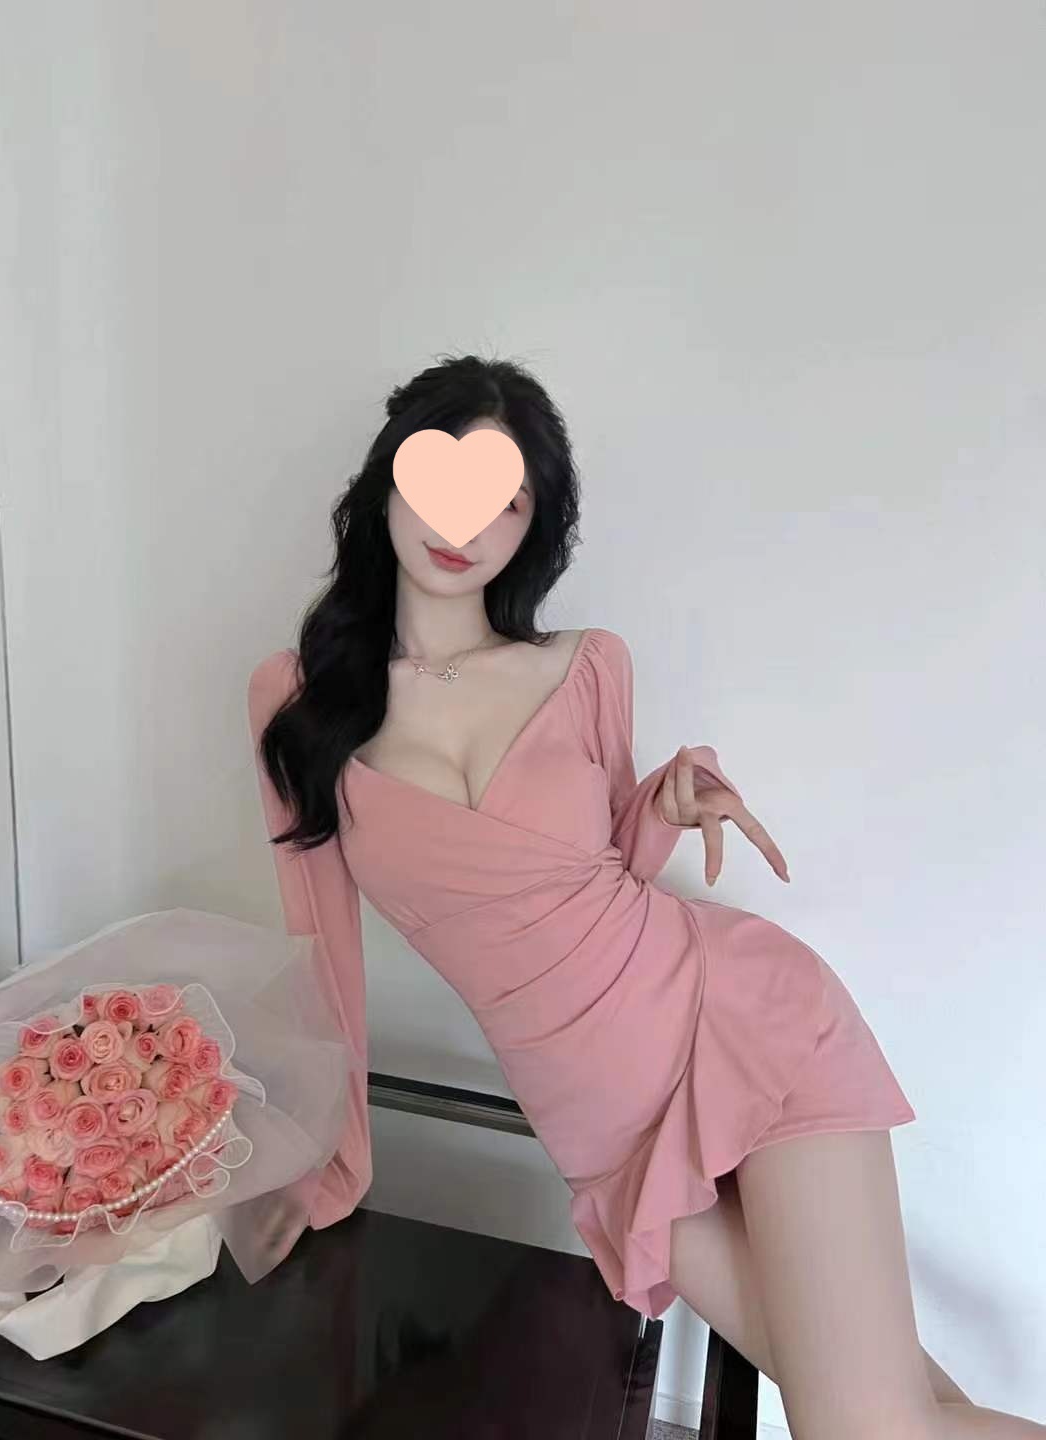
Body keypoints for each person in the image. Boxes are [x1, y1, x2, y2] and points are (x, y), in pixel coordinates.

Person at [248, 353, 1043, 1437]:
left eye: (507, 500)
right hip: (610, 1135)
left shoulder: (586, 666)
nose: (465, 522)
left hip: (741, 1023)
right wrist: (334, 1163)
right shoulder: (298, 704)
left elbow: (601, 872)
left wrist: (663, 803)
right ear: (389, 476)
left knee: (869, 1428)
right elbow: (320, 957)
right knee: (906, 1415)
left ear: (531, 528)